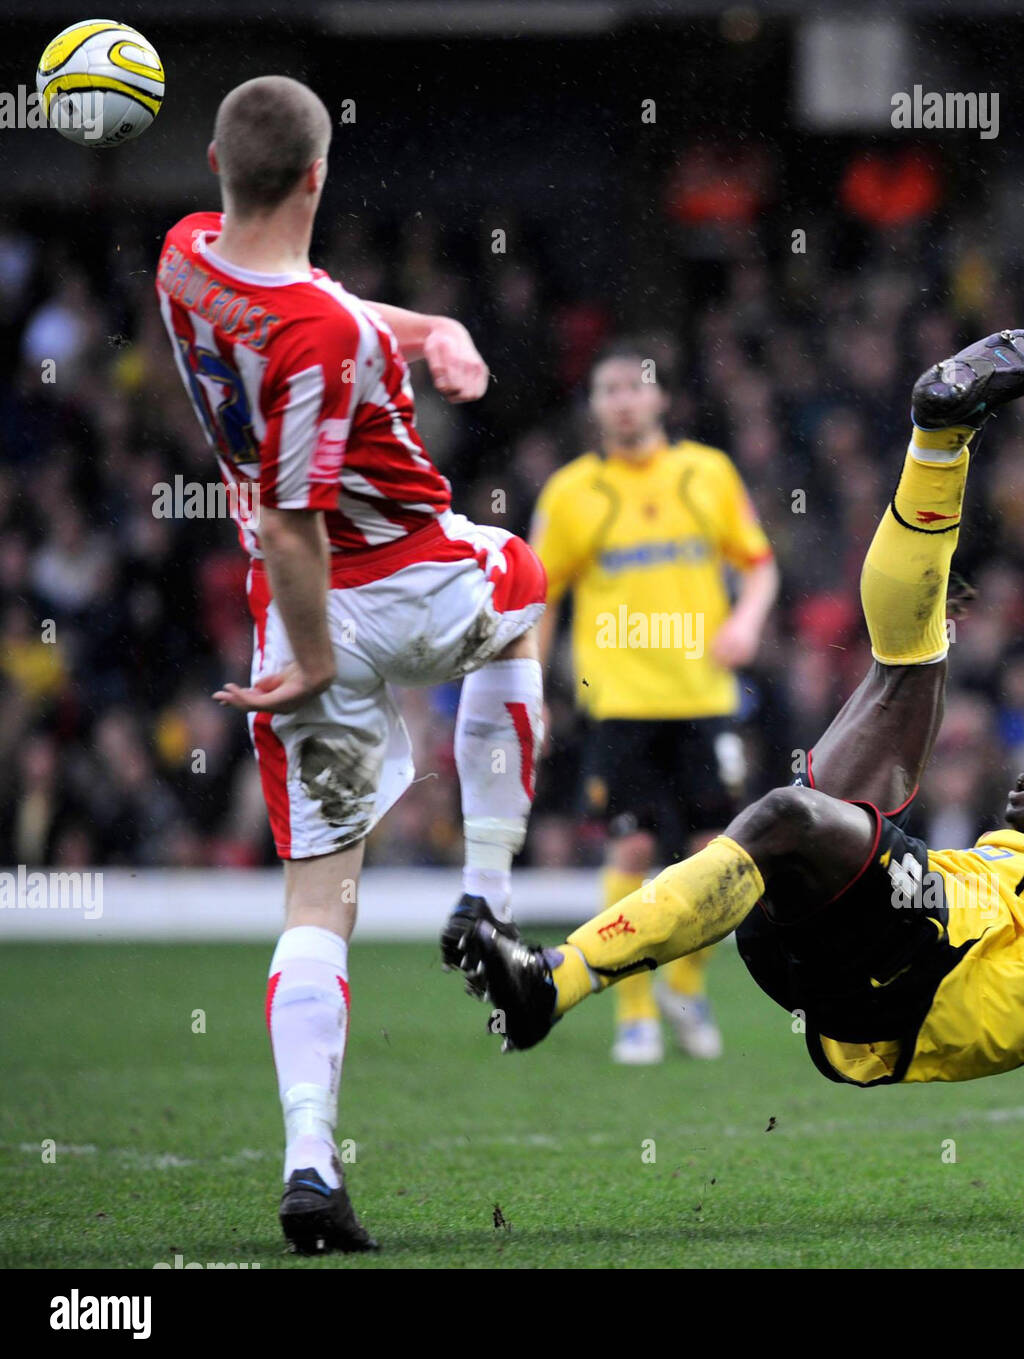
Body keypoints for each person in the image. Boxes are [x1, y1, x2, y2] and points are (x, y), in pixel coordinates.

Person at [463, 329, 1024, 1235]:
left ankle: (559, 982)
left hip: (914, 966)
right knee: (900, 671)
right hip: (859, 958)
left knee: (805, 795)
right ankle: (938, 440)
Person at [157, 76, 547, 1253]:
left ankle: (310, 1162)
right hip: (389, 587)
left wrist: (429, 331)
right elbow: (293, 518)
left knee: (318, 902)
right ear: (319, 177)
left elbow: (312, 303)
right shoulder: (321, 334)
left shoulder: (182, 257)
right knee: (521, 585)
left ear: (220, 157)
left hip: (289, 617)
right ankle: (488, 888)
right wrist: (324, 660)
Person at [530, 342, 777, 1063]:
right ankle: (633, 1011)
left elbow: (760, 567)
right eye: (608, 390)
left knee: (713, 855)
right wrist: (533, 689)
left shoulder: (708, 472)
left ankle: (685, 984)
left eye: (635, 387)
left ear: (661, 399)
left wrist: (746, 621)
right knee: (633, 845)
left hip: (704, 693)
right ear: (595, 408)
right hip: (622, 700)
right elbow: (539, 599)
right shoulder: (571, 493)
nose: (624, 401)